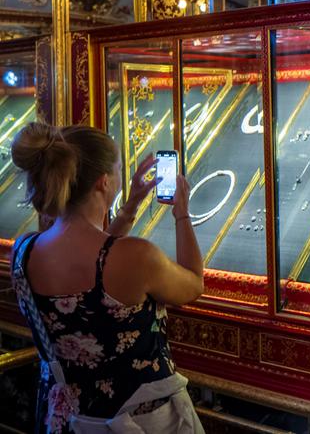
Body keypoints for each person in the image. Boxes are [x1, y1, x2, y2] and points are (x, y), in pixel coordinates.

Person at [9, 122, 205, 433]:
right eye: (117, 169)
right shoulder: (136, 256)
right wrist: (182, 212)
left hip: (67, 420)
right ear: (103, 182)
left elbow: (96, 264)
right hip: (139, 420)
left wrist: (131, 206)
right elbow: (193, 284)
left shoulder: (24, 251)